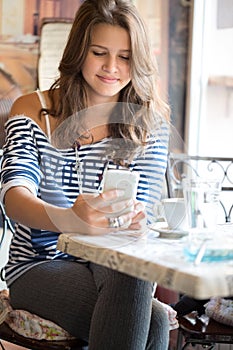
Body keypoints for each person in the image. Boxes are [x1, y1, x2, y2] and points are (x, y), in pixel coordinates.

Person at [0, 0, 172, 349]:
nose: (112, 67)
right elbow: (13, 196)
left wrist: (137, 220)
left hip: (111, 262)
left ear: (138, 61)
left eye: (125, 56)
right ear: (79, 52)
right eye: (99, 52)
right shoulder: (36, 111)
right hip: (39, 265)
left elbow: (144, 211)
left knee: (132, 264)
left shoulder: (149, 124)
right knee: (152, 324)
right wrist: (70, 219)